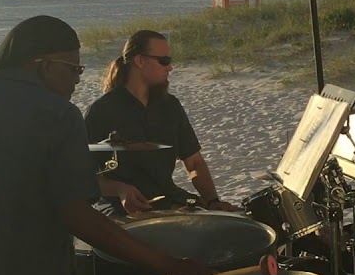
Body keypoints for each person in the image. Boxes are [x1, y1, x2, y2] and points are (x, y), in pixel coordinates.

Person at [0, 15, 214, 275]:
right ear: (44, 65)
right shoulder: (60, 115)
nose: (77, 78)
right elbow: (76, 216)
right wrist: (167, 264)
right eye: (73, 69)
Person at [84, 30, 241, 214]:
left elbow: (194, 163)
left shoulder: (170, 106)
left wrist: (213, 201)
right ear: (140, 61)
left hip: (168, 199)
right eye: (164, 61)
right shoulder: (102, 111)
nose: (170, 67)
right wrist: (120, 189)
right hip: (120, 207)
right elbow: (83, 175)